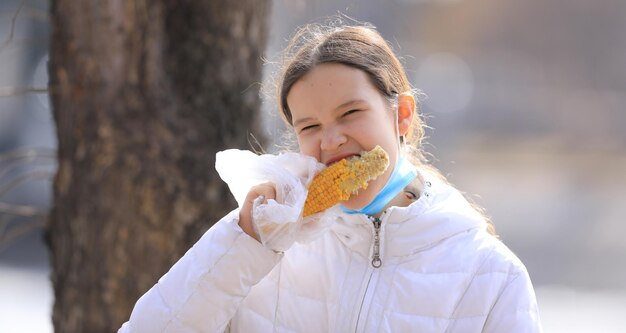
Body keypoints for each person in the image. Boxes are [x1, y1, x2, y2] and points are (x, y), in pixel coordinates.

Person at [119, 20, 542, 333]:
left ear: (403, 116)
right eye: (309, 127)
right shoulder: (261, 248)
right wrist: (242, 241)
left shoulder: (490, 275)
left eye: (351, 113)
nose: (332, 140)